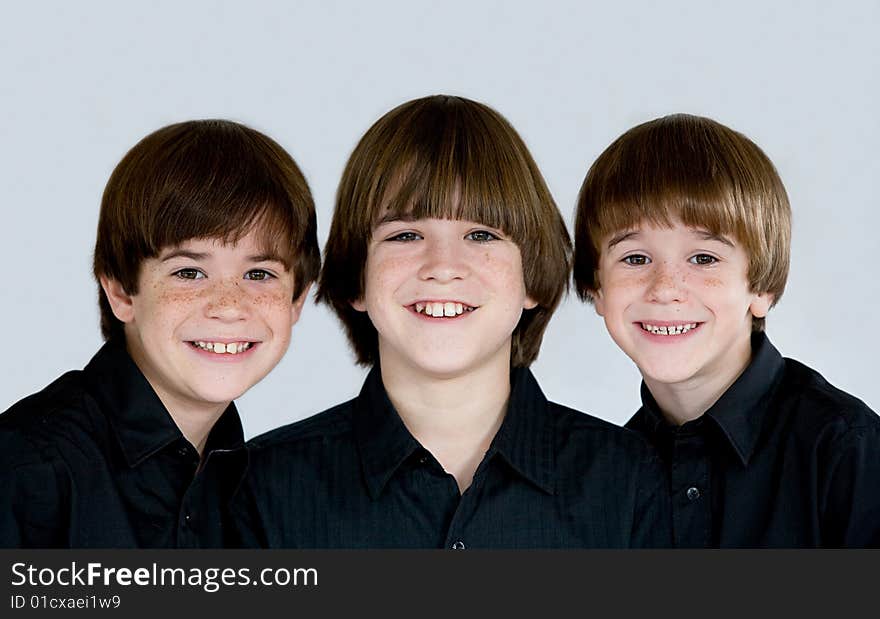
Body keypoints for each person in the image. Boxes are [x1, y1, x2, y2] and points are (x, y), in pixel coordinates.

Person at [231, 95, 670, 548]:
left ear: (531, 280)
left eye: (481, 234)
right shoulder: (262, 488)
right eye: (405, 235)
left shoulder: (629, 480)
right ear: (357, 279)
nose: (443, 266)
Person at [0, 119, 320, 547]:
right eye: (189, 272)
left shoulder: (260, 486)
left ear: (297, 299)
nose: (228, 305)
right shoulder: (26, 471)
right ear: (120, 291)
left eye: (258, 273)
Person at [572, 113, 880, 547]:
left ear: (762, 287)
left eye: (703, 259)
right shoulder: (606, 476)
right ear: (596, 287)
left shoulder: (847, 453)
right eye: (636, 259)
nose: (665, 290)